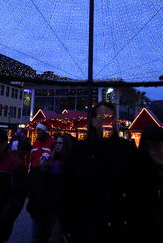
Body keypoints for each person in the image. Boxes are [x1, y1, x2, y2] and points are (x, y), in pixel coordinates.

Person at [59, 101, 142, 243]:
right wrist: (70, 227)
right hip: (88, 228)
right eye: (102, 118)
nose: (107, 122)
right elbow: (66, 189)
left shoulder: (127, 150)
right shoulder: (80, 151)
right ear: (93, 121)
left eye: (110, 118)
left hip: (120, 228)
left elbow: (137, 188)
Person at [26, 133, 73, 243]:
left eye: (60, 143)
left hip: (60, 203)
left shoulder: (66, 162)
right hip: (48, 202)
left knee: (55, 234)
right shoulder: (53, 160)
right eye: (57, 143)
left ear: (66, 145)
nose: (57, 145)